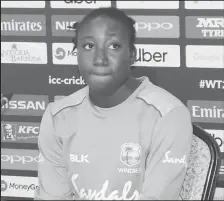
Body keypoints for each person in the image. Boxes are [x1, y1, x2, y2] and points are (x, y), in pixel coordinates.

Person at [34, 7, 193, 200]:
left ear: (132, 55)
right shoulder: (57, 116)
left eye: (114, 46)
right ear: (76, 54)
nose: (100, 59)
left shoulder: (168, 115)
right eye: (89, 46)